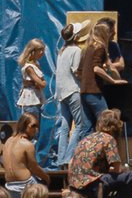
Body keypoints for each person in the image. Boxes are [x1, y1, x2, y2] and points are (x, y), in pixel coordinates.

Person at [67, 109, 132, 198]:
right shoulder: (108, 139)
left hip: (74, 184)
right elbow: (117, 168)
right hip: (92, 184)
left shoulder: (86, 138)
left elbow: (71, 163)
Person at [54, 21, 90, 169]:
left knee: (65, 127)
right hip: (72, 90)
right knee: (80, 125)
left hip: (62, 92)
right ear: (75, 36)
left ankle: (60, 158)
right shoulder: (76, 50)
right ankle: (66, 158)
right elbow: (76, 70)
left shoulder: (61, 51)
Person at [79, 22, 125, 133]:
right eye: (108, 32)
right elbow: (96, 68)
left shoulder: (88, 48)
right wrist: (114, 81)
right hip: (94, 91)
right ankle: (105, 148)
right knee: (106, 122)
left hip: (84, 91)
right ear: (104, 34)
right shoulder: (100, 47)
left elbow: (82, 70)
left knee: (87, 127)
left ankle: (85, 149)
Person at [3, 113, 49, 198]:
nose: (35, 129)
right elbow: (34, 168)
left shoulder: (8, 141)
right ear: (24, 126)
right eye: (33, 126)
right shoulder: (27, 144)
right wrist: (46, 178)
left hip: (9, 184)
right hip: (26, 184)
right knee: (44, 189)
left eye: (37, 127)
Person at [15, 39, 48, 118]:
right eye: (40, 50)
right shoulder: (29, 67)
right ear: (32, 51)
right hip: (31, 102)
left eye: (43, 50)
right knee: (32, 125)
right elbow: (42, 84)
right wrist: (41, 82)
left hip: (36, 100)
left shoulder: (36, 64)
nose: (42, 53)